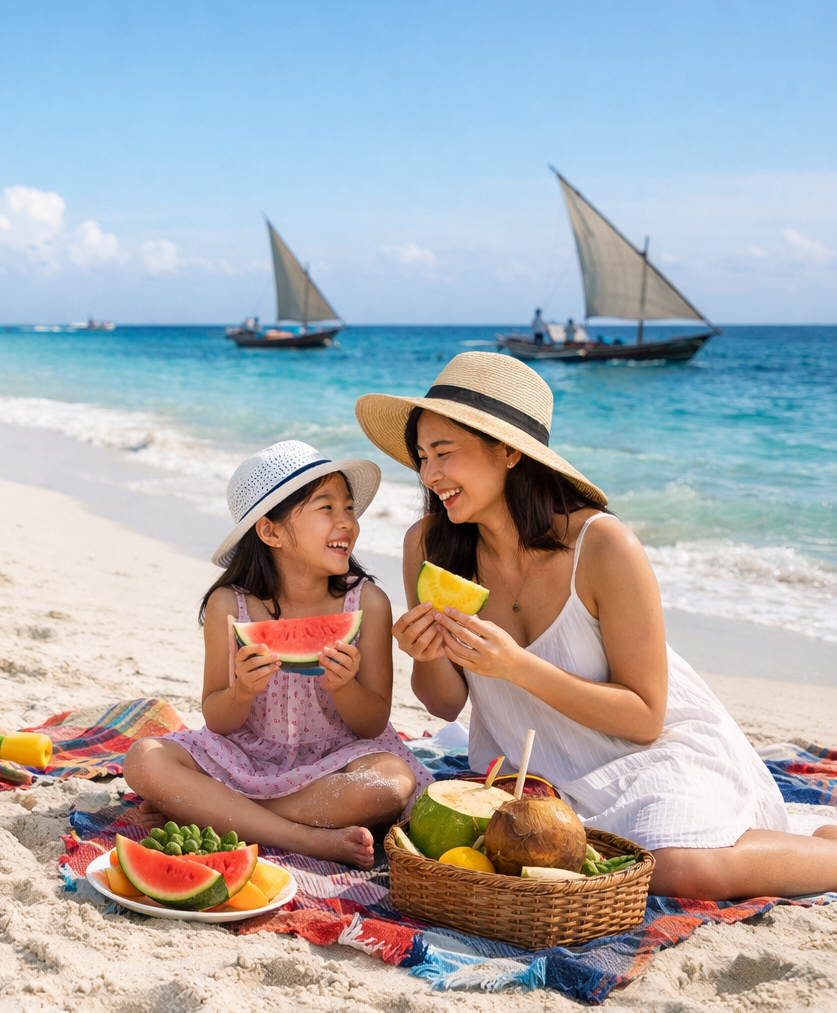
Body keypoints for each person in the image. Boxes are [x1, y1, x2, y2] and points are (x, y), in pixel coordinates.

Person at [354, 351, 837, 900]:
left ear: (509, 450)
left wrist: (516, 666)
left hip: (652, 754)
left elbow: (646, 718)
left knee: (672, 869)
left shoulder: (603, 546)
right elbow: (441, 705)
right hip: (539, 777)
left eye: (444, 453)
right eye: (421, 457)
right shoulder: (427, 544)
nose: (428, 474)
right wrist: (425, 651)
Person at [123, 442, 431, 868]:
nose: (348, 522)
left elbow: (372, 722)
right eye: (326, 508)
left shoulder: (368, 603)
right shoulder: (230, 606)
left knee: (390, 785)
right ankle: (304, 839)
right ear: (270, 532)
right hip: (247, 756)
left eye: (349, 508)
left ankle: (219, 811)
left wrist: (344, 688)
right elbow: (218, 719)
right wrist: (242, 692)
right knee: (143, 759)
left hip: (337, 761)